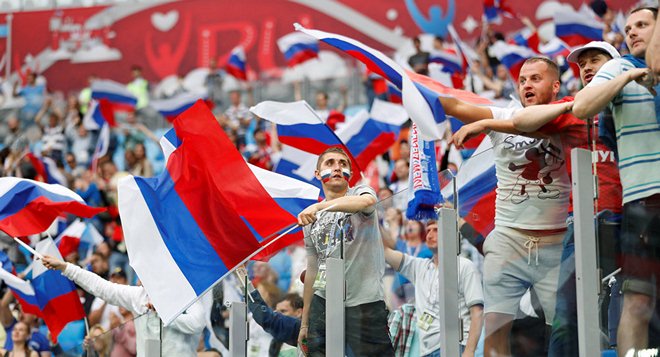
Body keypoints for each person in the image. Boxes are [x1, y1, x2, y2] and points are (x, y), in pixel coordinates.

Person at [457, 41, 623, 355]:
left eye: (596, 60)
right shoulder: (570, 113)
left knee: (630, 303)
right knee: (566, 317)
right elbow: (521, 121)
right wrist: (484, 123)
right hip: (573, 226)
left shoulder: (632, 104)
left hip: (626, 215)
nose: (587, 67)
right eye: (582, 63)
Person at [437, 57, 576, 356]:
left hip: (556, 244)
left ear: (555, 85)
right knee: (496, 329)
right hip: (508, 239)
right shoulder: (504, 113)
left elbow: (532, 127)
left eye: (535, 79)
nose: (526, 84)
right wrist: (410, 87)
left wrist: (485, 124)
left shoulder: (571, 115)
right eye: (523, 80)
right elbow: (457, 107)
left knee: (566, 331)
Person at [572, 7, 660, 355]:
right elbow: (582, 107)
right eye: (627, 27)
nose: (633, 31)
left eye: (642, 24)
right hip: (642, 203)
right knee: (637, 302)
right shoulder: (617, 67)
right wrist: (625, 79)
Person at [296, 147, 394, 356]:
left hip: (364, 303)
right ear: (317, 174)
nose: (337, 167)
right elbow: (312, 269)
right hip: (324, 304)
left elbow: (368, 203)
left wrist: (319, 208)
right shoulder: (311, 219)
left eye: (343, 163)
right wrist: (305, 322)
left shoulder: (359, 192)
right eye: (330, 163)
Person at [41, 254, 206, 356]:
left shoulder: (187, 295)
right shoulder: (139, 296)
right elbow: (102, 287)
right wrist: (66, 267)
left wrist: (165, 312)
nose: (139, 279)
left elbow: (197, 324)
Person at [383, 220, 484, 357]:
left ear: (450, 234)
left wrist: (469, 351)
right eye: (428, 230)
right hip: (426, 351)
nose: (430, 235)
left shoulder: (465, 266)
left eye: (436, 230)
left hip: (454, 347)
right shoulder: (419, 267)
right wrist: (369, 219)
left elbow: (477, 312)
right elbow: (385, 252)